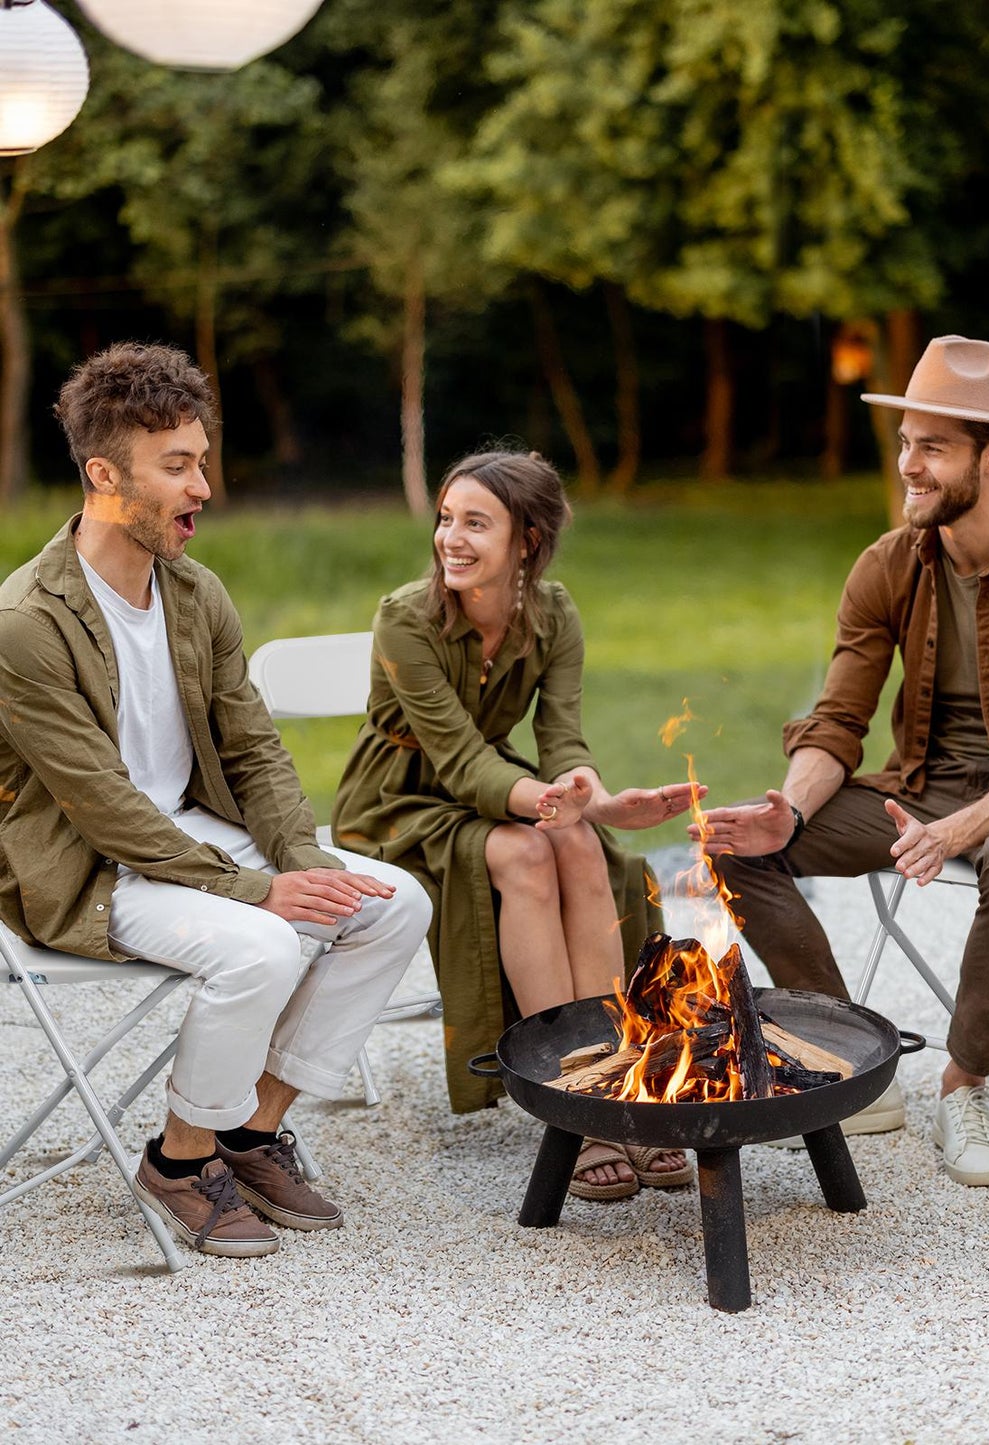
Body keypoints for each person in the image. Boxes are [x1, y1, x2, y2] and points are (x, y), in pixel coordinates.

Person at [0, 342, 433, 1259]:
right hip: (92, 867)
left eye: (202, 459)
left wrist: (305, 864)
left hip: (188, 839)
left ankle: (249, 1131)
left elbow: (254, 748)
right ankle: (178, 1156)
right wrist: (258, 892)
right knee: (263, 944)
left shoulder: (197, 594)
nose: (204, 485)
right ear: (104, 475)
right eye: (179, 466)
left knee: (393, 905)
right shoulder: (26, 623)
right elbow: (104, 807)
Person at [695, 336, 989, 1184]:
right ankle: (846, 1059)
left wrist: (955, 829)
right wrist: (790, 805)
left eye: (932, 446)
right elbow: (838, 720)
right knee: (734, 842)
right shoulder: (889, 564)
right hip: (920, 788)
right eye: (904, 443)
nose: (908, 466)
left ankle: (965, 1083)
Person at [331, 448, 701, 1201]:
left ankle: (615, 1075)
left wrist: (592, 798)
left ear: (526, 539)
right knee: (531, 853)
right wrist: (553, 803)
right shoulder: (406, 618)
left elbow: (562, 738)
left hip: (500, 786)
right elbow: (460, 761)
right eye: (445, 519)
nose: (450, 539)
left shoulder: (553, 612)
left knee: (579, 843)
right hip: (399, 800)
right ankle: (571, 1096)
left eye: (476, 523)